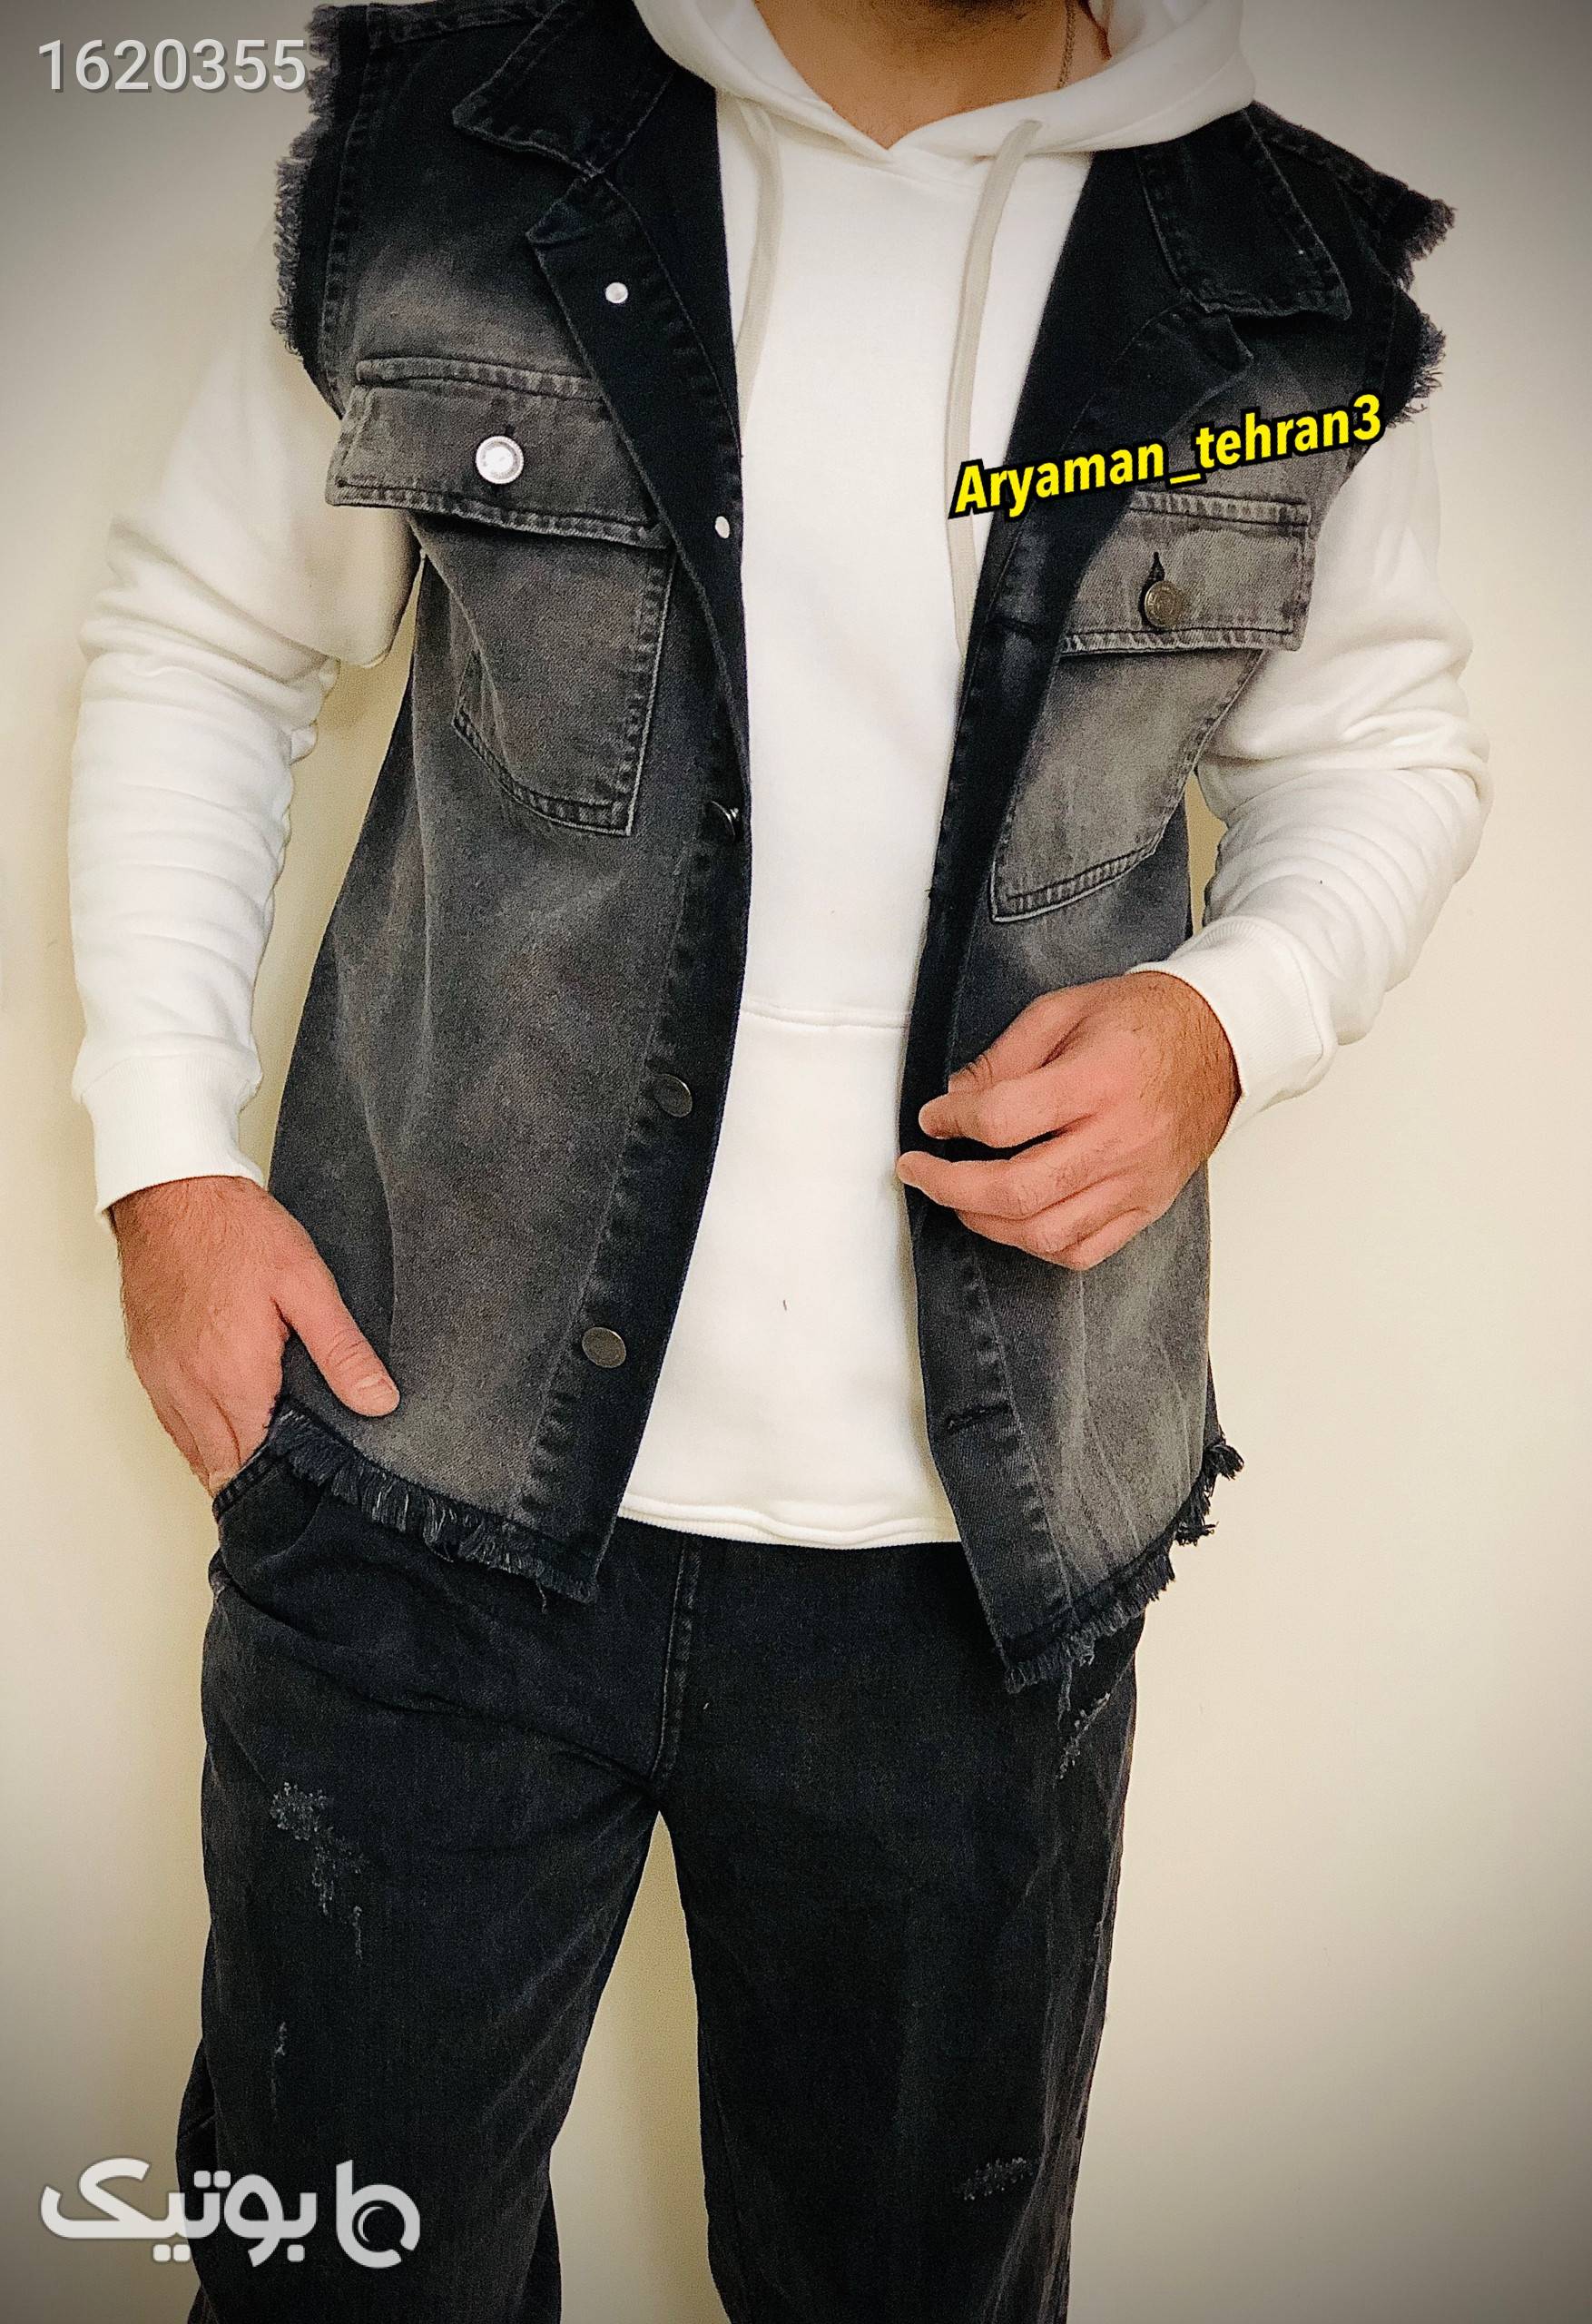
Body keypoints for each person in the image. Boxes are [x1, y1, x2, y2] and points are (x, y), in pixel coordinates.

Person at [67, 1, 1489, 2315]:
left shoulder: (1289, 281)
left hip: (972, 1567)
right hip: (419, 1468)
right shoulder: (457, 158)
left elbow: (1382, 749)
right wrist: (163, 1157)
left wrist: (1232, 1018)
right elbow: (206, 639)